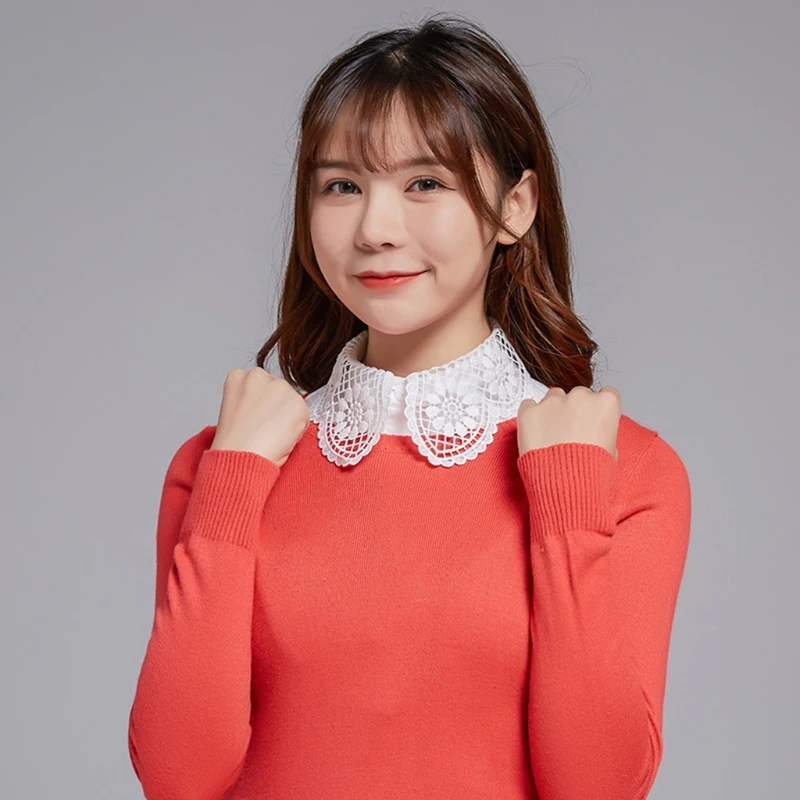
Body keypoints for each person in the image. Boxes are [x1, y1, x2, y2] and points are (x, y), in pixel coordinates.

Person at [127, 14, 691, 800]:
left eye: (425, 183)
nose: (375, 229)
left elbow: (598, 785)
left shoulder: (625, 470)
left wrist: (567, 500)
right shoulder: (220, 465)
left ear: (515, 206)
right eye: (342, 186)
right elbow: (178, 777)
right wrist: (234, 481)